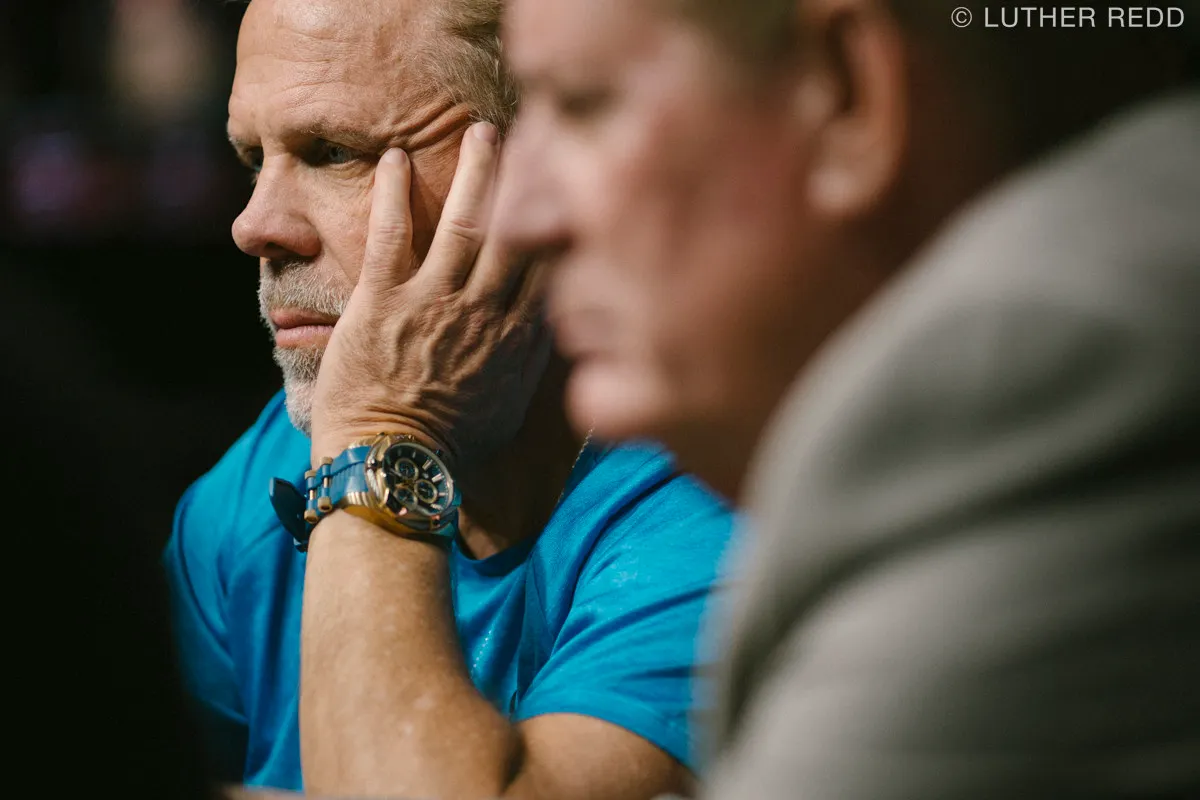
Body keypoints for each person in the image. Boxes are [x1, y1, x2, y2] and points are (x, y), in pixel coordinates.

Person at [490, 0, 1200, 798]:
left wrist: (392, 432)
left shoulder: (1045, 374)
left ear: (845, 94)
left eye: (583, 105)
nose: (518, 216)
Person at [164, 0, 734, 797]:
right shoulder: (245, 502)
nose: (254, 226)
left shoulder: (718, 508)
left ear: (541, 169)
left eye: (335, 152)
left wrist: (382, 435)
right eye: (255, 158)